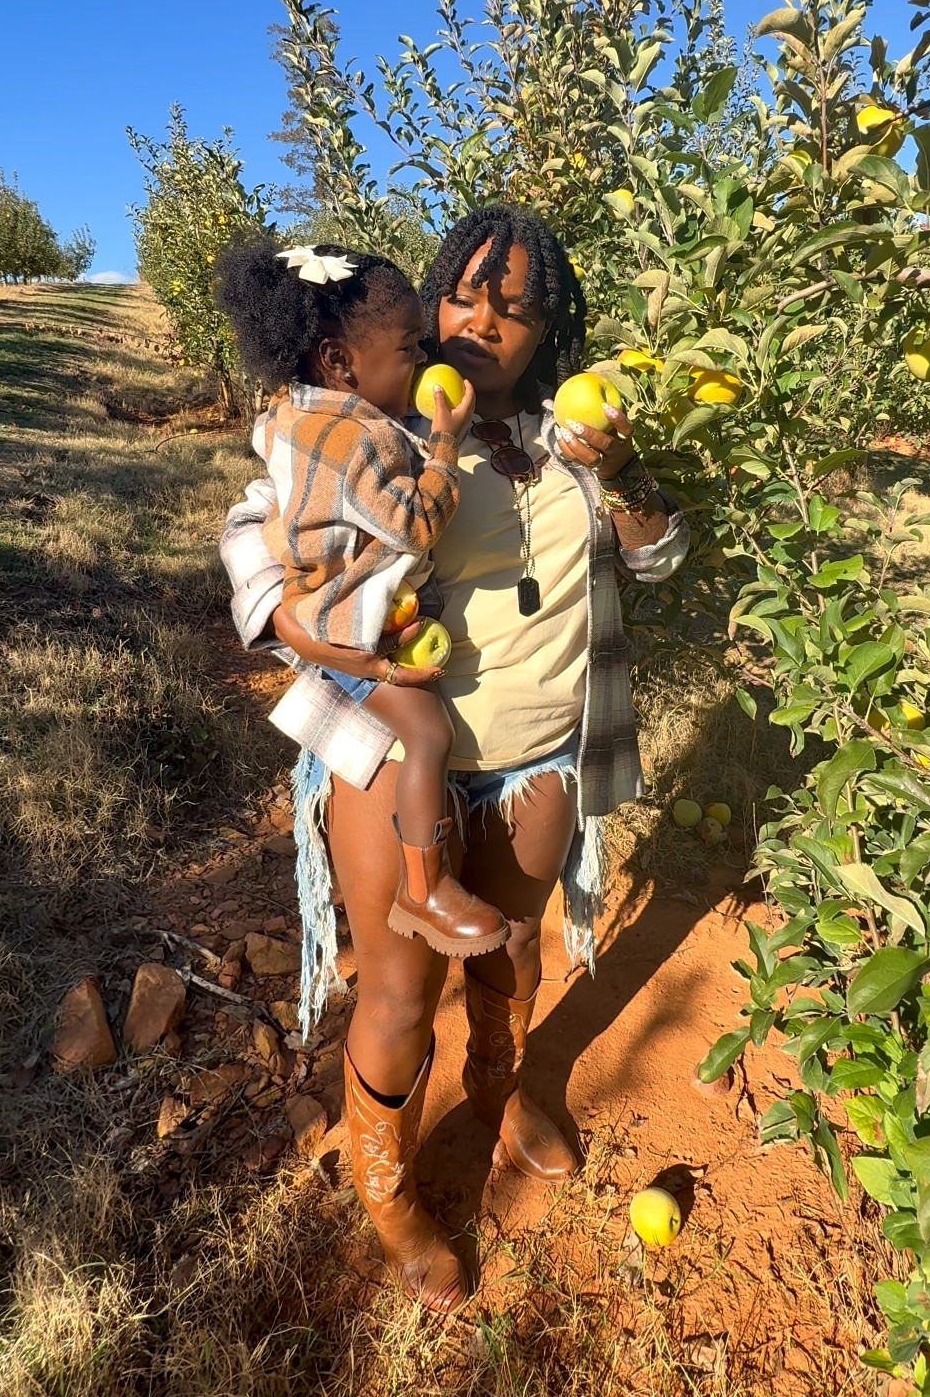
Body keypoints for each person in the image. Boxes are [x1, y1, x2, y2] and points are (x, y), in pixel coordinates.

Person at [221, 202, 688, 1312]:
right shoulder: (382, 420)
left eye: (513, 308)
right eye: (465, 295)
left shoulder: (576, 439)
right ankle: (386, 1187)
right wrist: (294, 626)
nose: (482, 321)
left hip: (533, 756)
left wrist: (619, 472)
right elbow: (259, 528)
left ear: (548, 331)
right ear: (434, 301)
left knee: (513, 952)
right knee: (394, 987)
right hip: (394, 756)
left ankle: (498, 1091)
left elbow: (662, 556)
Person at [214, 235, 508, 964]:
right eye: (409, 350)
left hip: (320, 606)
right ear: (340, 361)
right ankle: (424, 885)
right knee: (428, 735)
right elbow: (413, 520)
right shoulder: (363, 440)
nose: (422, 362)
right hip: (343, 626)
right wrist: (442, 445)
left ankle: (422, 881)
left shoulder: (295, 413)